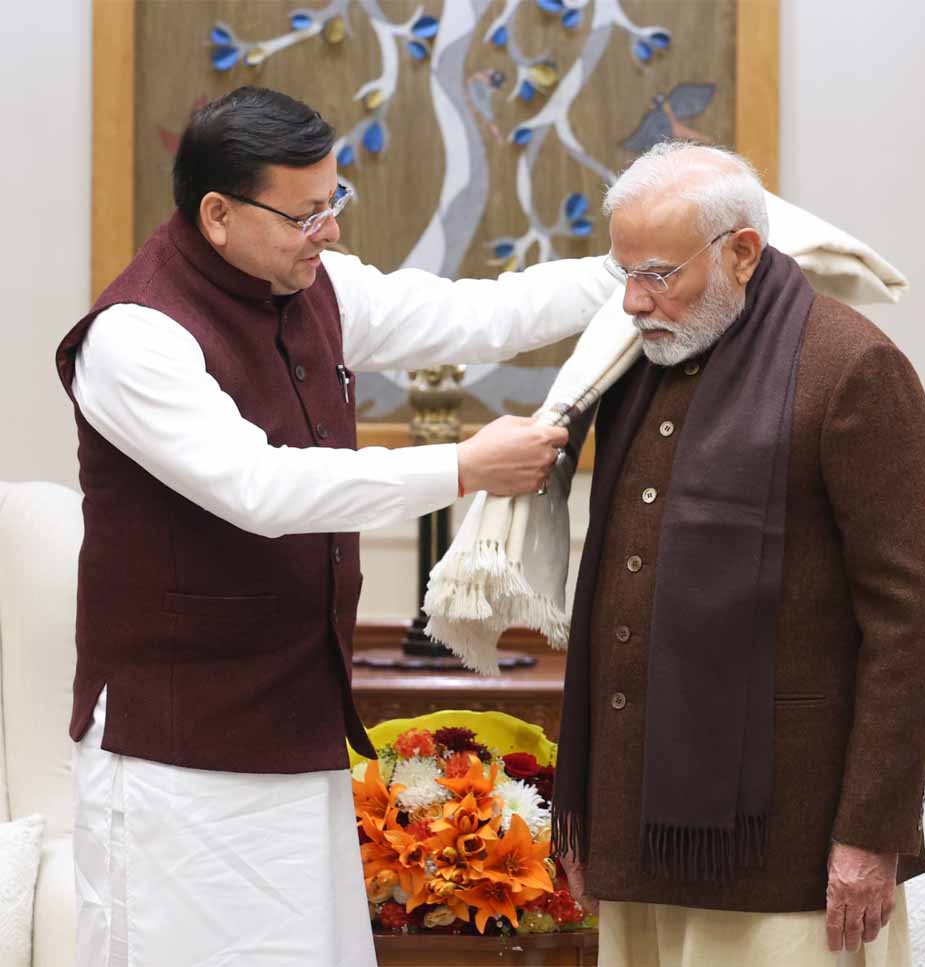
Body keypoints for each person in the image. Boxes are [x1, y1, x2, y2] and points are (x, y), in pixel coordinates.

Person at [54, 86, 617, 967]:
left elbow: (479, 314)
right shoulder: (134, 339)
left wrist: (634, 269)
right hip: (171, 761)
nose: (333, 230)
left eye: (335, 200)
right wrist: (461, 466)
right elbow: (261, 487)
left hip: (296, 734)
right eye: (306, 213)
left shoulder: (318, 286)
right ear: (218, 215)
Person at [551, 142, 925, 967]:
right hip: (641, 833)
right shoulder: (635, 363)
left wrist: (871, 834)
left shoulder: (854, 367)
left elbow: (913, 620)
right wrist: (590, 810)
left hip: (789, 847)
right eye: (623, 273)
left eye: (658, 274)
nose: (633, 300)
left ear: (741, 252)